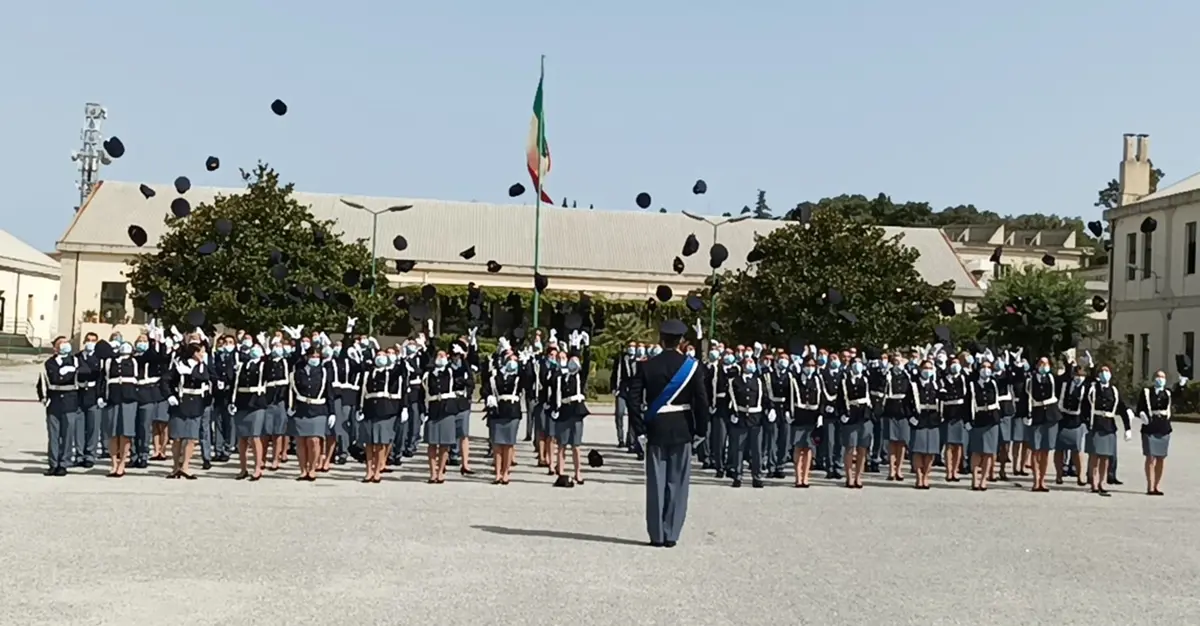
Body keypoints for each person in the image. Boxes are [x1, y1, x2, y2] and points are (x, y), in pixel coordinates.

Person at [627, 320, 710, 548]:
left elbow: (633, 401)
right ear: (681, 341)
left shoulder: (647, 366)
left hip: (656, 428)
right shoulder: (691, 367)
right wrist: (701, 430)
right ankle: (671, 532)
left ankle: (656, 534)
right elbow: (702, 401)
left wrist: (639, 430)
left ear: (661, 340)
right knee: (678, 483)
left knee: (656, 483)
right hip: (683, 428)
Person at [37, 336, 89, 476]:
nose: (65, 345)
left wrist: (72, 370)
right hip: (54, 402)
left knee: (67, 435)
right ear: (55, 347)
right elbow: (44, 381)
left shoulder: (75, 360)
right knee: (53, 436)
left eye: (66, 343)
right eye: (61, 343)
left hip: (70, 402)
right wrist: (43, 398)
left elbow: (86, 371)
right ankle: (53, 464)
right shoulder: (49, 363)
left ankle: (64, 463)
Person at [1083, 364, 1132, 497]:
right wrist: (1085, 422)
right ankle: (1093, 482)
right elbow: (1084, 406)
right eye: (1102, 371)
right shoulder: (1092, 388)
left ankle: (1102, 482)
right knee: (1094, 456)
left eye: (1107, 371)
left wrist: (1127, 428)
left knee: (1105, 457)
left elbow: (1122, 409)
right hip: (1095, 424)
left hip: (1109, 426)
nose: (1105, 373)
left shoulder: (1114, 391)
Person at [290, 346, 335, 481]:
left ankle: (312, 469)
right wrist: (290, 406)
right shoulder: (298, 372)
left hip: (318, 409)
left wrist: (332, 412)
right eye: (312, 356)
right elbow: (291, 391)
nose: (315, 359)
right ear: (306, 357)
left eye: (317, 357)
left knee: (314, 440)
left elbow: (329, 392)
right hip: (301, 409)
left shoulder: (324, 372)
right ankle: (303, 470)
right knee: (301, 441)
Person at [1135, 370, 1183, 496]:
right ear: (1154, 378)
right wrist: (1142, 415)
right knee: (1150, 457)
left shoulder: (1167, 393)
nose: (1160, 379)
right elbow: (1139, 408)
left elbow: (1178, 396)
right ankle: (1150, 486)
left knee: (1161, 458)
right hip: (1150, 426)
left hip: (1163, 427)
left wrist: (1182, 384)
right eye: (1158, 376)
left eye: (1163, 377)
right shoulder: (1147, 392)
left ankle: (1157, 486)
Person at [166, 343, 209, 479]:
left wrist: (192, 371)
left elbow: (205, 378)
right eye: (201, 352)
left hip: (196, 403)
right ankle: (175, 467)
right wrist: (170, 395)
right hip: (180, 402)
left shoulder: (203, 367)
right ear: (194, 353)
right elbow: (165, 381)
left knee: (191, 438)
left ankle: (185, 466)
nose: (202, 355)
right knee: (177, 438)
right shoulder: (179, 365)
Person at [486, 351, 523, 485]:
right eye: (510, 360)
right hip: (498, 411)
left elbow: (530, 378)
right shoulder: (496, 377)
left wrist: (527, 362)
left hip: (512, 412)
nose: (512, 363)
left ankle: (506, 472)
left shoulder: (518, 377)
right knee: (497, 445)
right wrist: (489, 397)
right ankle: (497, 473)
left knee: (508, 444)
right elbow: (486, 388)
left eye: (515, 361)